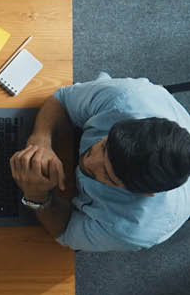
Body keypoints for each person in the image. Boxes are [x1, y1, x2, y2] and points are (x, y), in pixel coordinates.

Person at [10, 73, 190, 252]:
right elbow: (62, 98)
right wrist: (41, 139)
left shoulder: (136, 229)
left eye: (107, 175)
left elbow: (67, 232)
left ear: (144, 193)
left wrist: (37, 196)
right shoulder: (128, 97)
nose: (88, 162)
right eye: (104, 146)